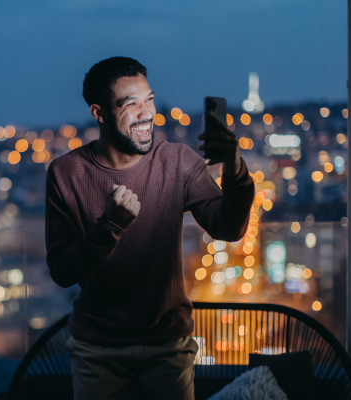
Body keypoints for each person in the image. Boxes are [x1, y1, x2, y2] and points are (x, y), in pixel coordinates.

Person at [45, 56, 254, 400]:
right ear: (99, 112)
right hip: (97, 349)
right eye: (131, 104)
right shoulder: (67, 174)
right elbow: (62, 271)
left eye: (150, 100)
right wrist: (110, 225)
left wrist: (234, 168)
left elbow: (229, 228)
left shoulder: (178, 161)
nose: (146, 113)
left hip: (167, 346)